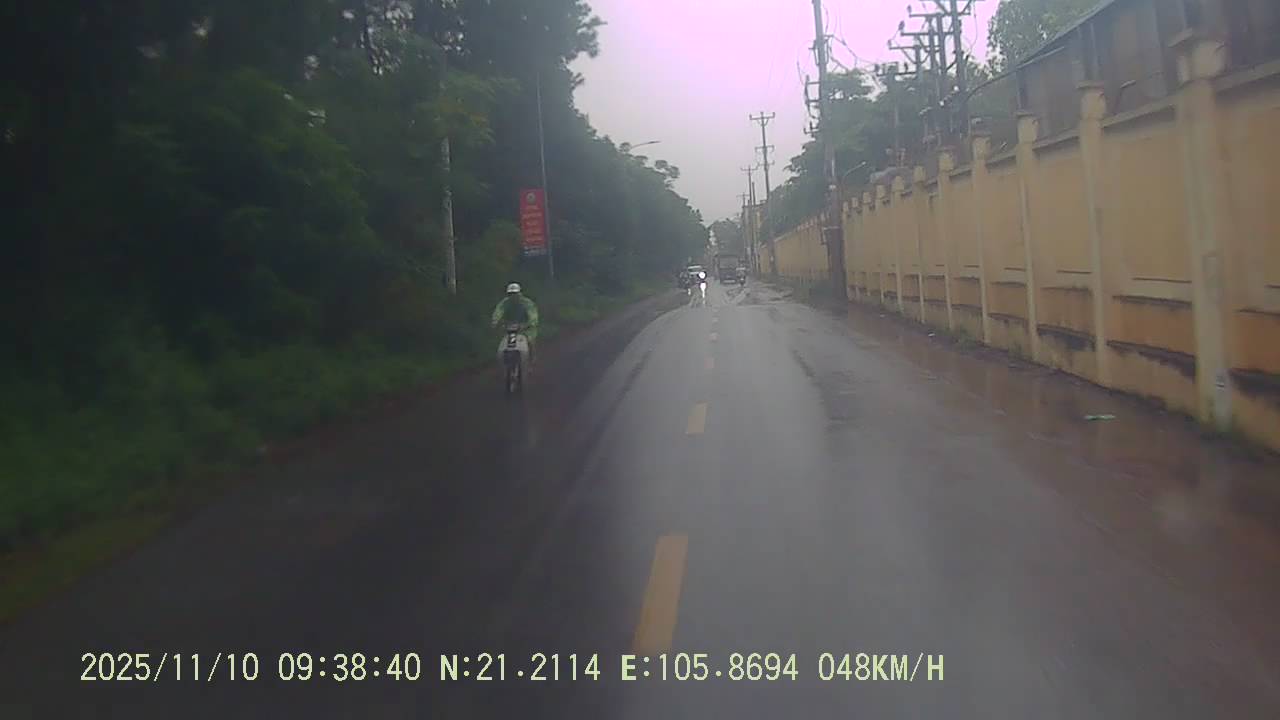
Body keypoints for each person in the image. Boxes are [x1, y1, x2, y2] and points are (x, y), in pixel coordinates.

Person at [491, 282, 540, 367]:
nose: (513, 296)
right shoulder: (505, 303)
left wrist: (531, 323)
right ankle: (503, 362)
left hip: (526, 327)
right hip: (509, 326)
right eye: (511, 294)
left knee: (530, 341)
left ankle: (532, 359)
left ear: (519, 293)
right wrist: (495, 322)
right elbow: (498, 312)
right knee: (502, 341)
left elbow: (533, 314)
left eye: (515, 293)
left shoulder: (527, 303)